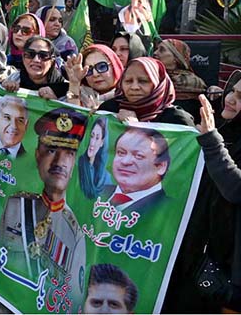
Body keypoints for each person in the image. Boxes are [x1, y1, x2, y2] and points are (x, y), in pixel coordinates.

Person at [164, 73, 241, 312]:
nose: (230, 98)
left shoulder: (216, 137)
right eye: (233, 91)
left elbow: (235, 189)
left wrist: (211, 142)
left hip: (224, 263)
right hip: (194, 247)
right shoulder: (225, 131)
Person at [0, 107, 88, 305]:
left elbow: (72, 300)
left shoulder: (76, 236)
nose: (59, 162)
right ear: (38, 156)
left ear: (74, 163)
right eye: (51, 151)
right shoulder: (15, 205)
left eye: (69, 153)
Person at [98, 57, 195, 126]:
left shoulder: (177, 120)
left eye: (143, 81)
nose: (134, 87)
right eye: (128, 81)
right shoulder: (109, 110)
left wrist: (134, 126)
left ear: (159, 84)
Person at [100, 126, 171, 214]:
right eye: (121, 153)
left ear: (160, 166)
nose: (125, 162)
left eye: (138, 156)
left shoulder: (171, 210)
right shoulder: (97, 193)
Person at [154, 38, 219, 121]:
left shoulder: (194, 82)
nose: (155, 53)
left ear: (176, 58)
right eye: (157, 49)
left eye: (162, 50)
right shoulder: (152, 76)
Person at [2, 36, 69, 100]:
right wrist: (4, 89)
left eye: (43, 55)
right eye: (30, 54)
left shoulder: (66, 89)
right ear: (23, 57)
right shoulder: (14, 79)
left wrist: (55, 103)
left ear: (52, 61)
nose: (36, 60)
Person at [64, 44, 124, 109]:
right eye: (89, 70)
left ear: (115, 67)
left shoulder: (127, 99)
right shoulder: (81, 94)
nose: (95, 74)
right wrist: (74, 83)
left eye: (102, 66)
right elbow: (73, 112)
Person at [78, 116, 112, 199]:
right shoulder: (79, 163)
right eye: (92, 136)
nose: (92, 143)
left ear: (102, 142)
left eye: (97, 138)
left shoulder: (105, 177)